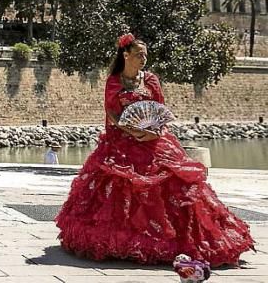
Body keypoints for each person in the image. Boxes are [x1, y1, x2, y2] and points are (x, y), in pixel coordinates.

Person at [56, 33, 255, 266]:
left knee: (178, 184)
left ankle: (183, 240)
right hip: (122, 141)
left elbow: (159, 110)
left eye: (146, 55)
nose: (144, 59)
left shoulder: (150, 80)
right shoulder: (114, 81)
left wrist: (153, 132)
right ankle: (125, 242)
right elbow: (113, 113)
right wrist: (134, 132)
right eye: (139, 55)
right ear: (125, 55)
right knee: (119, 188)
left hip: (154, 141)